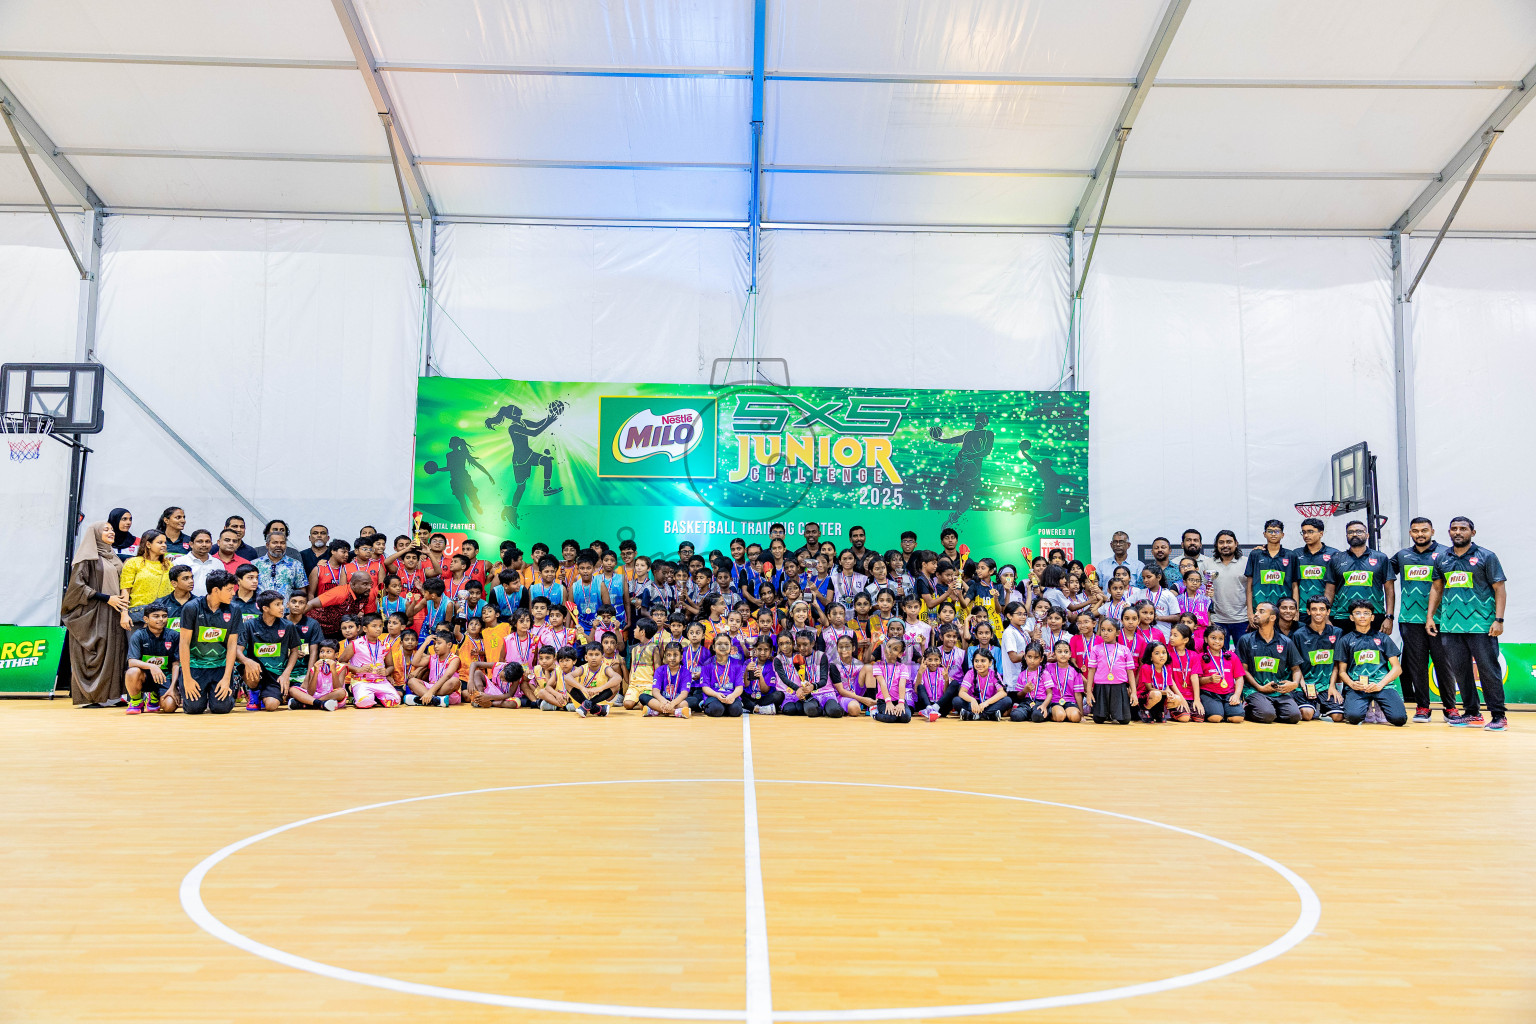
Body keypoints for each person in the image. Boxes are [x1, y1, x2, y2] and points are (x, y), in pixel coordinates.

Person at [1425, 516, 1509, 731]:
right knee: (1461, 670)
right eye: (1454, 528)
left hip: (1481, 624)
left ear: (1473, 532)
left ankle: (1499, 716)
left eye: (1463, 528)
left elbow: (1499, 588)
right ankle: (1472, 713)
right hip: (1451, 626)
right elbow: (1436, 588)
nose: (1458, 532)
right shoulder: (1442, 558)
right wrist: (1430, 617)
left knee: (1488, 671)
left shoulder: (1486, 556)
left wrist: (1498, 620)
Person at [1390, 517, 1454, 723]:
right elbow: (1381, 573)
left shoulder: (1446, 553)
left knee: (1443, 664)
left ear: (1433, 531)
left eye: (1424, 530)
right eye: (1415, 531)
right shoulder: (1402, 556)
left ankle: (1450, 708)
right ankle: (1422, 707)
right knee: (1417, 665)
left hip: (1440, 620)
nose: (1420, 534)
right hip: (1409, 619)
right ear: (1410, 533)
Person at [61, 520, 130, 707]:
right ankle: (92, 696)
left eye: (112, 529)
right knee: (96, 653)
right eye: (106, 529)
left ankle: (113, 696)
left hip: (115, 611)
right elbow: (77, 587)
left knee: (115, 652)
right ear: (95, 534)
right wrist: (106, 598)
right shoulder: (87, 558)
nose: (111, 532)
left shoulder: (113, 557)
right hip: (94, 611)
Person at [176, 569, 241, 715]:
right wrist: (187, 678)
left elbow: (232, 646)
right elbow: (184, 644)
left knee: (221, 708)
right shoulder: (191, 608)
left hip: (220, 667)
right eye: (230, 589)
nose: (233, 593)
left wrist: (226, 678)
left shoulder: (234, 609)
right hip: (195, 667)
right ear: (216, 590)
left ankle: (231, 688)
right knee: (194, 709)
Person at [1335, 600, 1407, 727]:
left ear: (1372, 617)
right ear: (1351, 617)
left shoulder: (1383, 638)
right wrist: (1352, 683)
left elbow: (1397, 668)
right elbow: (1341, 672)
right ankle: (1367, 704)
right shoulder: (1345, 640)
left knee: (1399, 719)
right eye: (1358, 613)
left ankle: (1379, 702)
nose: (1362, 616)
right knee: (1354, 718)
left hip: (1381, 685)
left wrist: (1380, 685)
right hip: (1357, 687)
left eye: (1366, 613)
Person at [1235, 602, 1307, 724]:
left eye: (1261, 611)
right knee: (1267, 715)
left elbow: (1296, 668)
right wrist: (1260, 687)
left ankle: (1270, 709)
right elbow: (1243, 670)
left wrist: (1294, 684)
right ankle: (1249, 706)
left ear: (1273, 617)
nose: (1256, 614)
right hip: (1254, 690)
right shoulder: (1246, 640)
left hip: (1279, 691)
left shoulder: (1286, 642)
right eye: (1256, 611)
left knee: (1294, 717)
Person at [236, 590, 303, 712]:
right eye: (277, 604)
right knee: (251, 668)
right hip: (256, 670)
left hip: (276, 674)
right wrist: (247, 661)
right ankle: (254, 693)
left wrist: (286, 674)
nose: (282, 607)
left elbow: (294, 651)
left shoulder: (288, 626)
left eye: (282, 604)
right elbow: (237, 651)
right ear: (265, 608)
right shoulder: (249, 625)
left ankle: (265, 695)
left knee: (271, 706)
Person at [1324, 520, 1394, 634]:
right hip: (1343, 616)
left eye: (1359, 531)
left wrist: (1389, 617)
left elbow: (1390, 590)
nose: (1355, 534)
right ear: (1346, 536)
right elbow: (1329, 591)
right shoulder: (1336, 559)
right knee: (1344, 651)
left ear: (1367, 535)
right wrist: (1325, 616)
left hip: (1374, 615)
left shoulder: (1381, 558)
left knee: (1372, 652)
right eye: (1350, 532)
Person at [1292, 597, 1345, 723]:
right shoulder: (1298, 635)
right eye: (1314, 609)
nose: (1318, 612)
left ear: (1328, 612)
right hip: (1307, 684)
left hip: (1327, 685)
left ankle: (1322, 707)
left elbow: (1337, 664)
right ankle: (1314, 706)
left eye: (1322, 609)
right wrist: (1303, 685)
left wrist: (1332, 686)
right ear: (1308, 611)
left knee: (1338, 717)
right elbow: (1295, 665)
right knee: (1307, 714)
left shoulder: (1337, 632)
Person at [124, 604, 179, 714]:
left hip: (165, 678)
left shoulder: (174, 636)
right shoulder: (139, 635)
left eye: (164, 616)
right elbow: (132, 661)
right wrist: (152, 666)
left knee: (169, 707)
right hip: (145, 677)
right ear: (146, 619)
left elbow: (176, 664)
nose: (161, 619)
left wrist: (173, 687)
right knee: (132, 672)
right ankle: (137, 701)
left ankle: (154, 696)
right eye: (156, 616)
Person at [1244, 520, 1296, 627]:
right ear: (1264, 534)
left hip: (1284, 610)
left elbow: (1295, 586)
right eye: (1270, 531)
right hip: (1260, 609)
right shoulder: (1255, 554)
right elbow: (1249, 585)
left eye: (1277, 531)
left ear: (1282, 535)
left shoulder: (1291, 555)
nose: (1273, 534)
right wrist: (1249, 612)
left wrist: (1296, 611)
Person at [1084, 615, 1135, 724]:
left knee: (1124, 720)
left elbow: (1130, 672)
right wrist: (1089, 691)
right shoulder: (1096, 649)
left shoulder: (1124, 650)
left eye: (1109, 630)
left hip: (1119, 686)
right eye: (1103, 630)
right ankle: (1106, 714)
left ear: (1117, 633)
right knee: (1098, 719)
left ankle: (1114, 714)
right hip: (1101, 686)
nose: (1105, 633)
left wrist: (1133, 692)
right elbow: (1091, 671)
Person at [119, 528, 175, 625]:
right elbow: (125, 590)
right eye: (160, 542)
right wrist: (124, 614)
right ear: (148, 544)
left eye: (165, 543)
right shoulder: (133, 563)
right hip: (138, 615)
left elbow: (173, 591)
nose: (164, 545)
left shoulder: (169, 565)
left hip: (162, 617)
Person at [1205, 529, 1249, 646]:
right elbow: (1201, 592)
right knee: (1219, 656)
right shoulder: (1208, 563)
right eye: (1221, 542)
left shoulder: (1246, 562)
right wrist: (1208, 618)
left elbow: (1251, 590)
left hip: (1241, 619)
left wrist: (1250, 614)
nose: (1225, 545)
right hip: (1216, 620)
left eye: (1229, 542)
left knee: (1242, 657)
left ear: (1236, 543)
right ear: (1216, 545)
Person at [1198, 626, 1244, 723]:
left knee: (1237, 718)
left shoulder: (1232, 656)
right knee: (1215, 718)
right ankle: (1220, 711)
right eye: (1213, 638)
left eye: (1221, 639)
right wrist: (1209, 679)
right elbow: (1196, 680)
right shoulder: (1201, 657)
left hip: (1229, 693)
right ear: (1206, 639)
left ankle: (1226, 711)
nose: (1217, 641)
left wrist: (1236, 695)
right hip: (1209, 693)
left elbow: (1239, 677)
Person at [1293, 518, 1337, 609]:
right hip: (1302, 609)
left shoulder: (1334, 554)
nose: (1306, 535)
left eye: (1310, 532)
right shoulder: (1296, 554)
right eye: (1304, 532)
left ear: (1321, 533)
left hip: (1325, 610)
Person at [641, 642, 693, 719]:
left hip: (677, 702)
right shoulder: (660, 670)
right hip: (662, 701)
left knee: (687, 702)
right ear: (665, 657)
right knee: (642, 697)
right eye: (669, 655)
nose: (672, 658)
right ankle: (676, 712)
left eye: (675, 655)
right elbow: (655, 691)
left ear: (681, 657)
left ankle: (656, 711)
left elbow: (684, 694)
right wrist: (664, 701)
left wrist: (672, 704)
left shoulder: (686, 672)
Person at [957, 648, 1011, 721]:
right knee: (956, 701)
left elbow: (1003, 692)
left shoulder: (994, 674)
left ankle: (973, 715)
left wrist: (986, 703)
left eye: (983, 661)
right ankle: (989, 715)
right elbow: (962, 692)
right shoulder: (970, 673)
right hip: (974, 704)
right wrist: (972, 700)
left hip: (989, 703)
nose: (979, 664)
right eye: (976, 661)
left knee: (1007, 700)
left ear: (990, 663)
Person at [288, 638, 342, 711]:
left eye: (328, 652)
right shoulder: (314, 668)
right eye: (322, 652)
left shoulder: (341, 667)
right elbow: (310, 692)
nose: (324, 655)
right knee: (292, 690)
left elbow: (338, 688)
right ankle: (320, 704)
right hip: (315, 695)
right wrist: (316, 672)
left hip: (330, 696)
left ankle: (307, 703)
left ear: (336, 655)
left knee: (341, 692)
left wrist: (333, 670)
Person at [253, 526, 307, 598]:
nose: (279, 545)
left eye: (282, 543)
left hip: (285, 608)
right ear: (267, 545)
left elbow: (301, 590)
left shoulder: (296, 565)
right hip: (260, 608)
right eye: (275, 542)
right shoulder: (255, 564)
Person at [172, 529, 219, 596]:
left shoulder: (218, 564)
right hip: (185, 603)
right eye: (200, 541)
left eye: (207, 541)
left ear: (211, 544)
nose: (204, 544)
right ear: (191, 544)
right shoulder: (179, 563)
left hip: (211, 604)